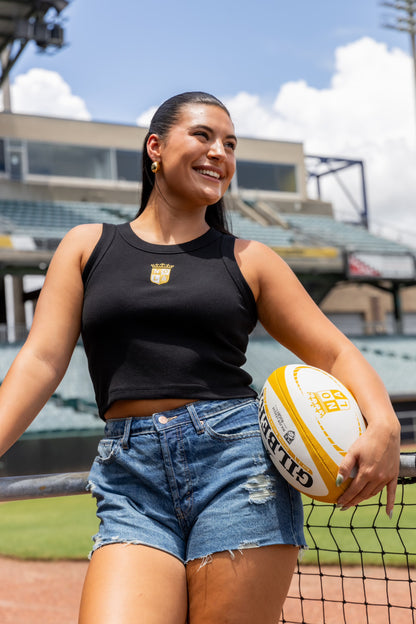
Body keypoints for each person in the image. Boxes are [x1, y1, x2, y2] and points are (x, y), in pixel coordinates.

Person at [0, 91, 400, 624]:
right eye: (204, 136)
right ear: (156, 148)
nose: (220, 153)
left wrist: (385, 424)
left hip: (239, 467)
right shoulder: (86, 245)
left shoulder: (250, 259)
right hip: (130, 477)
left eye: (230, 144)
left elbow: (333, 349)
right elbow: (41, 363)